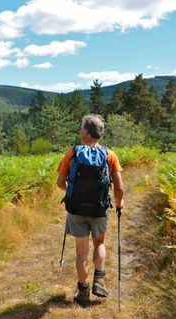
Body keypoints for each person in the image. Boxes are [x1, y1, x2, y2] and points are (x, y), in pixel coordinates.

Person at [57, 114, 124, 307]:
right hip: (99, 209)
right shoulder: (110, 155)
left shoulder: (72, 153)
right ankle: (99, 280)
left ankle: (83, 292)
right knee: (99, 243)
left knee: (81, 253)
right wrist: (119, 203)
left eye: (81, 128)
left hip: (76, 209)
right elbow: (119, 187)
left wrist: (73, 189)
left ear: (86, 132)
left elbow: (60, 183)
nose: (79, 131)